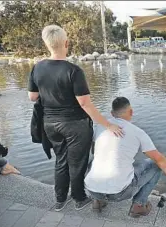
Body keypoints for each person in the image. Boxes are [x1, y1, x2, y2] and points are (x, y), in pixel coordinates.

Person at [27, 25, 123, 212]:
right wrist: (108, 124)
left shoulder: (37, 68)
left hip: (50, 124)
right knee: (77, 162)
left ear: (46, 44)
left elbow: (32, 97)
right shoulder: (73, 71)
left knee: (61, 159)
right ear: (66, 43)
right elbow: (85, 104)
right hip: (75, 125)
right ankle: (79, 198)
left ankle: (60, 200)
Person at [85, 97, 166, 217]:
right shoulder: (138, 132)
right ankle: (139, 206)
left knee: (96, 161)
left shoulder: (100, 127)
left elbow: (93, 150)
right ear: (131, 112)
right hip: (119, 194)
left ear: (112, 113)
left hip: (91, 189)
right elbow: (160, 160)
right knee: (155, 165)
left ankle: (97, 201)